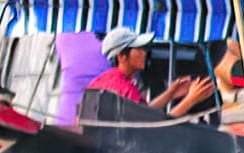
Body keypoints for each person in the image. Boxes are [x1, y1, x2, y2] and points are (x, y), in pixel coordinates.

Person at [85, 27, 217, 116]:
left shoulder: (104, 80)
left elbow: (144, 113)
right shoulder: (124, 88)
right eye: (139, 49)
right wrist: (191, 99)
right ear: (122, 56)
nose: (144, 53)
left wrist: (170, 93)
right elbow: (153, 128)